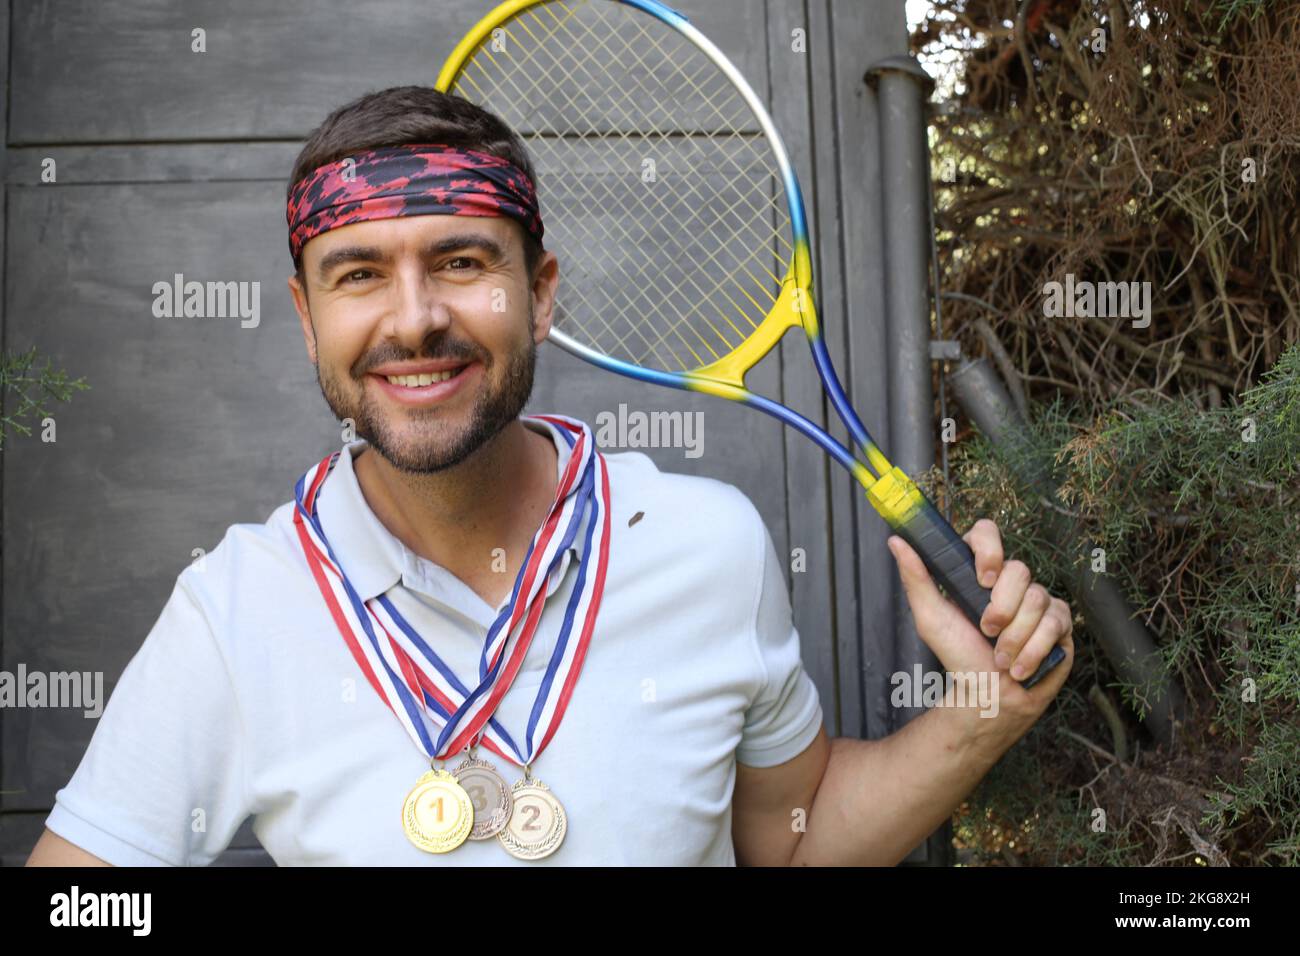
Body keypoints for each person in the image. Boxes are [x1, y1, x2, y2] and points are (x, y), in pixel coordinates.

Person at [27, 86, 1072, 867]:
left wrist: (983, 712)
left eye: (460, 261)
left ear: (541, 292)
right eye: (357, 275)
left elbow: (787, 845)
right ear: (307, 319)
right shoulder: (236, 609)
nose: (412, 317)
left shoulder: (706, 541)